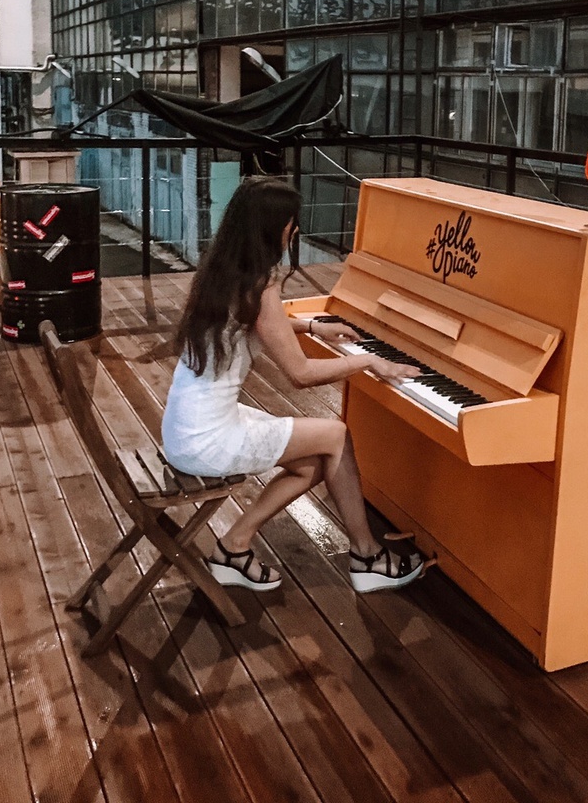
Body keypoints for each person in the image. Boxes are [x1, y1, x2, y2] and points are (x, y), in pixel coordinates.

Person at [161, 176, 425, 595]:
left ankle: (234, 545)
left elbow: (253, 324)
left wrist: (311, 326)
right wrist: (369, 361)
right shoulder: (259, 284)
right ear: (274, 228)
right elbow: (299, 375)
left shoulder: (222, 270)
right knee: (335, 435)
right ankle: (368, 556)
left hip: (183, 428)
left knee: (314, 460)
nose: (296, 229)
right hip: (207, 439)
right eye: (291, 221)